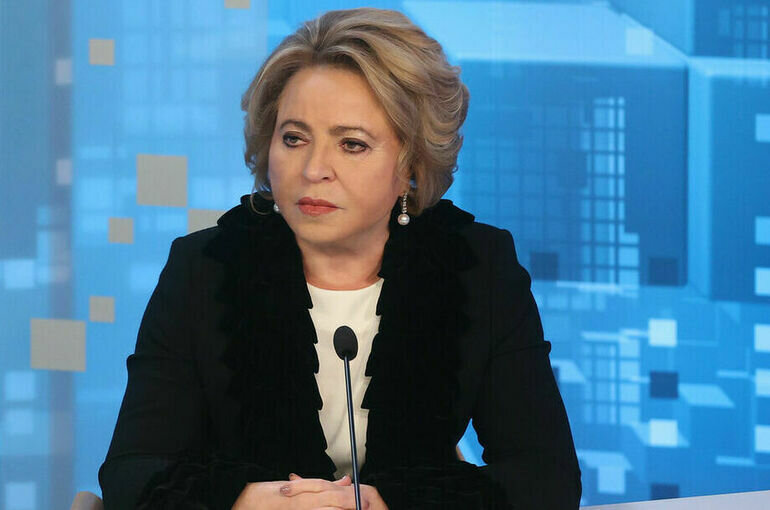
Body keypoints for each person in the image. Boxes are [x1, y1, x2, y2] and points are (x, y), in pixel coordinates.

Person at [98, 7, 581, 509]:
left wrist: (382, 503)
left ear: (412, 163)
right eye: (293, 138)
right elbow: (132, 473)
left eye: (352, 144)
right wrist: (255, 501)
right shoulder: (205, 267)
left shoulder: (476, 267)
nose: (313, 169)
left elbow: (546, 479)